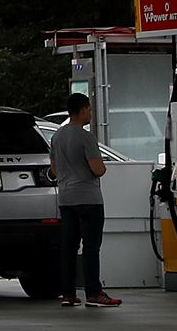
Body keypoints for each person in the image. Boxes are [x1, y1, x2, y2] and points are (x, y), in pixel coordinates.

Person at [51, 93, 121, 308]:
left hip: (65, 198)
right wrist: (101, 168)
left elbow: (53, 169)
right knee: (91, 247)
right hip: (88, 198)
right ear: (82, 110)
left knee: (69, 247)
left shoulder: (57, 136)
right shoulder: (85, 137)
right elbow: (98, 169)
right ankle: (93, 292)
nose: (90, 113)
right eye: (89, 109)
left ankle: (68, 293)